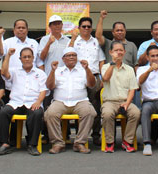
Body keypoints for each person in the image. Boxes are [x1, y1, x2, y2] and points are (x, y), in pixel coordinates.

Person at [44, 47, 97, 154]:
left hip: (80, 101)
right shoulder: (58, 71)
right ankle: (58, 143)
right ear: (63, 59)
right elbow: (50, 86)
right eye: (69, 55)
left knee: (90, 112)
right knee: (50, 114)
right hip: (60, 101)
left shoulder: (83, 70)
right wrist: (52, 71)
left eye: (74, 55)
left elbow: (92, 85)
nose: (72, 57)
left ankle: (80, 143)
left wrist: (87, 69)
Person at [0, 47, 47, 156]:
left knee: (37, 113)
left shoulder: (40, 73)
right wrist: (8, 55)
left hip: (33, 102)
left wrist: (38, 102)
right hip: (16, 103)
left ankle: (32, 145)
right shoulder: (15, 72)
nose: (27, 59)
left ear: (33, 58)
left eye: (29, 57)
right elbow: (4, 73)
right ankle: (4, 144)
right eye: (24, 57)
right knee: (3, 112)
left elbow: (43, 90)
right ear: (20, 59)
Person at [101, 40, 140, 153]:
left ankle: (127, 141)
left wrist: (127, 103)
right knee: (107, 114)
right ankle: (109, 142)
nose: (118, 53)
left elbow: (132, 89)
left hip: (125, 100)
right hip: (110, 101)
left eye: (121, 50)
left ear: (124, 52)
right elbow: (105, 79)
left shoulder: (129, 69)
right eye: (116, 50)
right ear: (110, 52)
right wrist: (113, 64)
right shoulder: (105, 67)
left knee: (136, 113)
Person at [73, 17, 105, 146]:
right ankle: (79, 136)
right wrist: (73, 40)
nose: (86, 28)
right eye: (83, 26)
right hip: (78, 77)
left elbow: (101, 60)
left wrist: (102, 78)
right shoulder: (75, 41)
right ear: (79, 28)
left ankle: (96, 135)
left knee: (96, 107)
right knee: (77, 106)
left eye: (88, 26)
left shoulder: (96, 42)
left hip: (95, 77)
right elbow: (67, 55)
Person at [2, 19, 39, 91]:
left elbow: (39, 63)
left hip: (31, 83)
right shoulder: (7, 42)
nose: (21, 29)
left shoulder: (34, 43)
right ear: (14, 30)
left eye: (23, 28)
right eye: (18, 28)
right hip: (11, 84)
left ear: (27, 30)